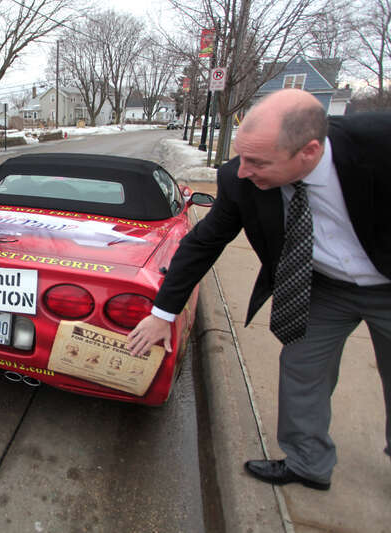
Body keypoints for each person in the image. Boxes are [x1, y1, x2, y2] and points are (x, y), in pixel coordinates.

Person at [128, 88, 391, 491]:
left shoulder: (379, 144)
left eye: (258, 161)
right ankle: (308, 464)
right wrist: (162, 314)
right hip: (322, 287)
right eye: (241, 155)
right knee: (302, 369)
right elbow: (203, 243)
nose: (242, 170)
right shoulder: (239, 178)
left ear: (309, 152)